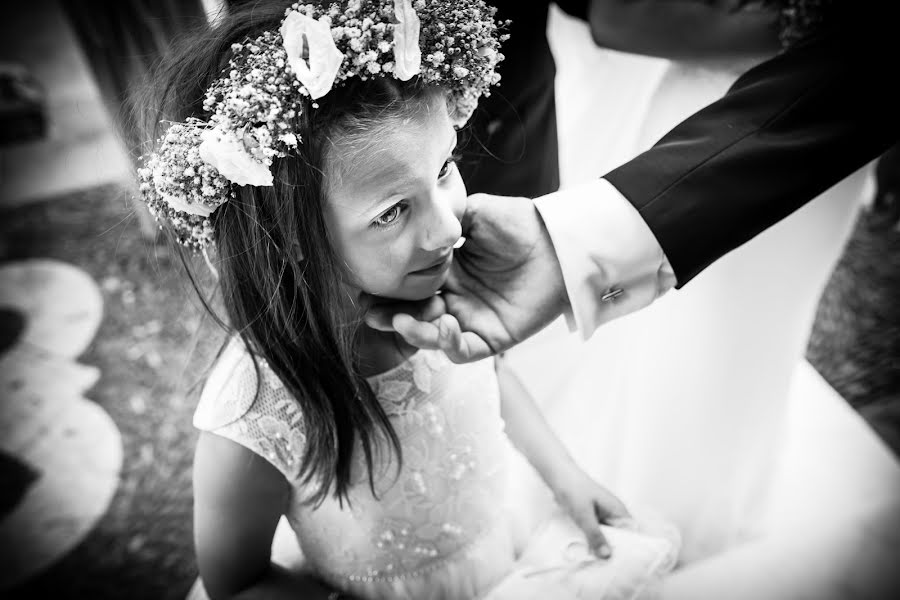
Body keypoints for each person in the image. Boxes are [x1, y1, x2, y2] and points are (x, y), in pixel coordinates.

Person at [137, 2, 679, 599]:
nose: (449, 228)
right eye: (392, 211)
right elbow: (233, 583)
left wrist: (564, 474)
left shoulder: (435, 283)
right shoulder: (254, 414)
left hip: (508, 544)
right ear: (290, 237)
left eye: (445, 166)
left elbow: (492, 379)